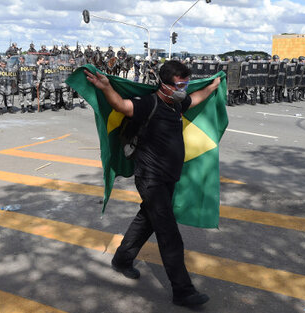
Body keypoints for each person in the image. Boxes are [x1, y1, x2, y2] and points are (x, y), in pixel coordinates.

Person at [84, 60, 220, 307]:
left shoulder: (177, 104)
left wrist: (213, 86)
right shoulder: (150, 103)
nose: (184, 89)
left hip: (168, 178)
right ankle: (183, 291)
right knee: (169, 234)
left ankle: (122, 260)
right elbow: (122, 105)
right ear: (164, 84)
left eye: (186, 84)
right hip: (150, 178)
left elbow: (197, 98)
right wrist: (105, 87)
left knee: (146, 220)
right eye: (180, 84)